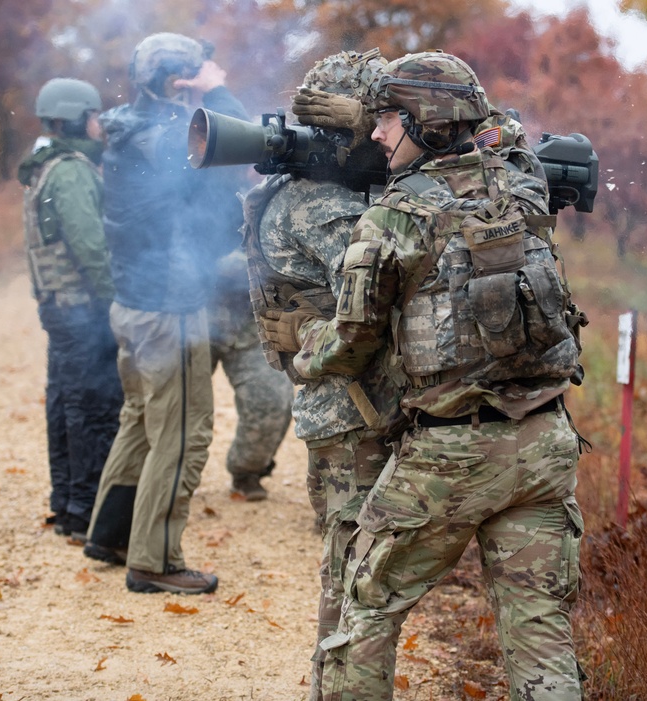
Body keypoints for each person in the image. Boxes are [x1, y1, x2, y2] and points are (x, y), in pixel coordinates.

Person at [270, 51, 586, 700]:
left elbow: (351, 344)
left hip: (452, 455)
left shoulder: (392, 217)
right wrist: (427, 106)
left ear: (428, 125)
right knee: (542, 642)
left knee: (365, 610)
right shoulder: (523, 185)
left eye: (387, 120)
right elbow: (506, 131)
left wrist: (302, 349)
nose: (375, 133)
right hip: (547, 445)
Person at [240, 49, 406, 699]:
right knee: (354, 567)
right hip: (351, 409)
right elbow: (378, 294)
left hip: (336, 406)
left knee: (350, 561)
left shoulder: (289, 190)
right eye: (379, 119)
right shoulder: (318, 205)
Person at [81, 33, 249, 595]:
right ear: (178, 79)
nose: (208, 70)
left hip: (134, 303)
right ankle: (154, 560)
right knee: (182, 432)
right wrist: (217, 88)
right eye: (196, 69)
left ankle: (109, 534)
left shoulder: (128, 127)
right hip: (168, 309)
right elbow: (243, 143)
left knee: (140, 420)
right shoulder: (171, 135)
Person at [18, 78, 123, 542]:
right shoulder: (72, 170)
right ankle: (85, 512)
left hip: (58, 309)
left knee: (65, 404)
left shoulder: (43, 167)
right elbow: (91, 247)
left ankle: (65, 504)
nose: (101, 123)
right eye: (95, 114)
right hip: (82, 309)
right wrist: (114, 301)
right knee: (95, 408)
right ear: (77, 117)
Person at [208, 248, 294, 502]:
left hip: (251, 315)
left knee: (271, 400)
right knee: (178, 408)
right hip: (192, 313)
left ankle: (248, 471)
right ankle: (165, 479)